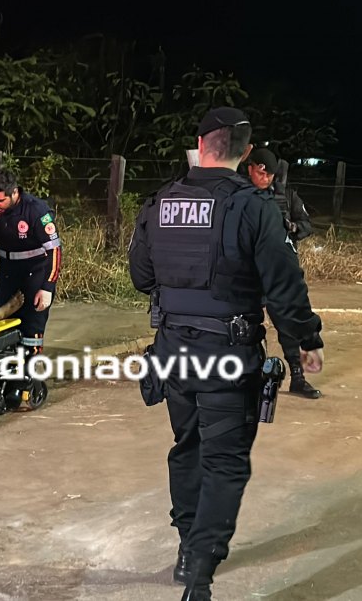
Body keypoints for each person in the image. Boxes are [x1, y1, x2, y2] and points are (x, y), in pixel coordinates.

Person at [128, 107, 325, 600]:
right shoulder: (254, 206)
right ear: (246, 152)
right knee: (224, 464)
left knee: (188, 448)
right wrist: (306, 340)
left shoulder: (160, 201)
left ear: (200, 144)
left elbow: (141, 277)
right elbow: (285, 289)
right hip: (226, 355)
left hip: (173, 353)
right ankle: (199, 578)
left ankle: (186, 548)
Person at [0, 169, 63, 409]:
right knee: (1, 329)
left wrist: (48, 287)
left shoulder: (36, 210)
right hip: (7, 271)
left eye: (1, 201)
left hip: (36, 272)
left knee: (30, 329)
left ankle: (27, 383)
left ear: (14, 192)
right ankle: (1, 385)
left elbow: (55, 251)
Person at [244, 145, 322, 399]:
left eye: (269, 174)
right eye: (261, 173)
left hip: (279, 272)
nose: (265, 178)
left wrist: (293, 228)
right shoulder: (241, 196)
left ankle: (297, 377)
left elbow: (306, 224)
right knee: (245, 325)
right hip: (249, 272)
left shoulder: (286, 196)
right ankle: (250, 376)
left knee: (288, 324)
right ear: (250, 169)